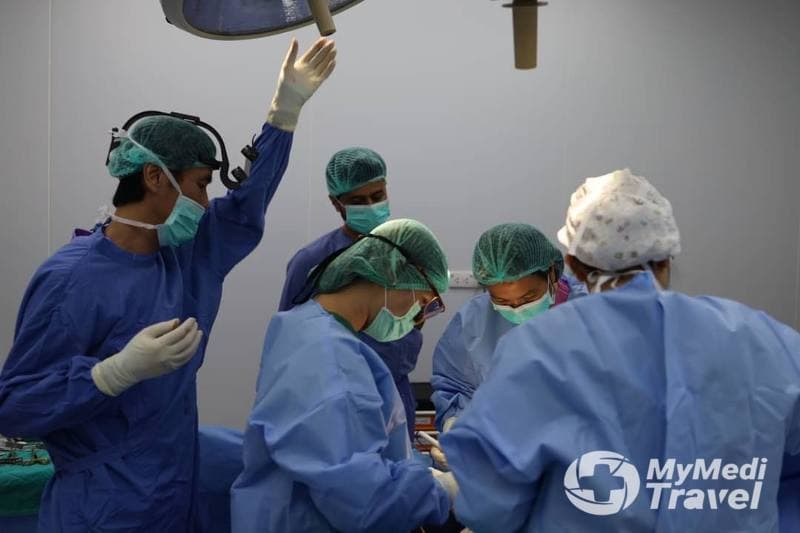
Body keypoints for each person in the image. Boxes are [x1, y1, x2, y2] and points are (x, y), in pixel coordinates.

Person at [0, 38, 336, 531]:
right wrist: (110, 374)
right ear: (155, 178)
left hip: (172, 495)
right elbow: (14, 406)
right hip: (100, 510)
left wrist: (282, 117)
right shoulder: (71, 280)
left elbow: (246, 205)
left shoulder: (186, 255)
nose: (205, 202)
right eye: (200, 184)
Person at [441, 169, 800, 532]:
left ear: (571, 265)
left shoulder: (537, 351)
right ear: (667, 257)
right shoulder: (767, 341)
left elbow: (489, 503)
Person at [232, 219, 457, 532]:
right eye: (422, 303)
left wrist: (414, 472)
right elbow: (364, 502)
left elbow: (346, 454)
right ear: (394, 274)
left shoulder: (303, 324)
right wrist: (443, 490)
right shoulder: (330, 360)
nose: (417, 319)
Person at [278, 147, 423, 440]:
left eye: (377, 195)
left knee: (398, 465)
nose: (370, 205)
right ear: (336, 203)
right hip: (335, 400)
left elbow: (415, 322)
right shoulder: (312, 262)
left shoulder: (409, 253)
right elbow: (288, 342)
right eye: (357, 201)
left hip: (395, 392)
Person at [431, 223, 584, 447]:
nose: (517, 309)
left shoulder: (591, 312)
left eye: (528, 297)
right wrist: (458, 427)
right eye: (502, 301)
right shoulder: (474, 321)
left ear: (552, 272)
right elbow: (458, 387)